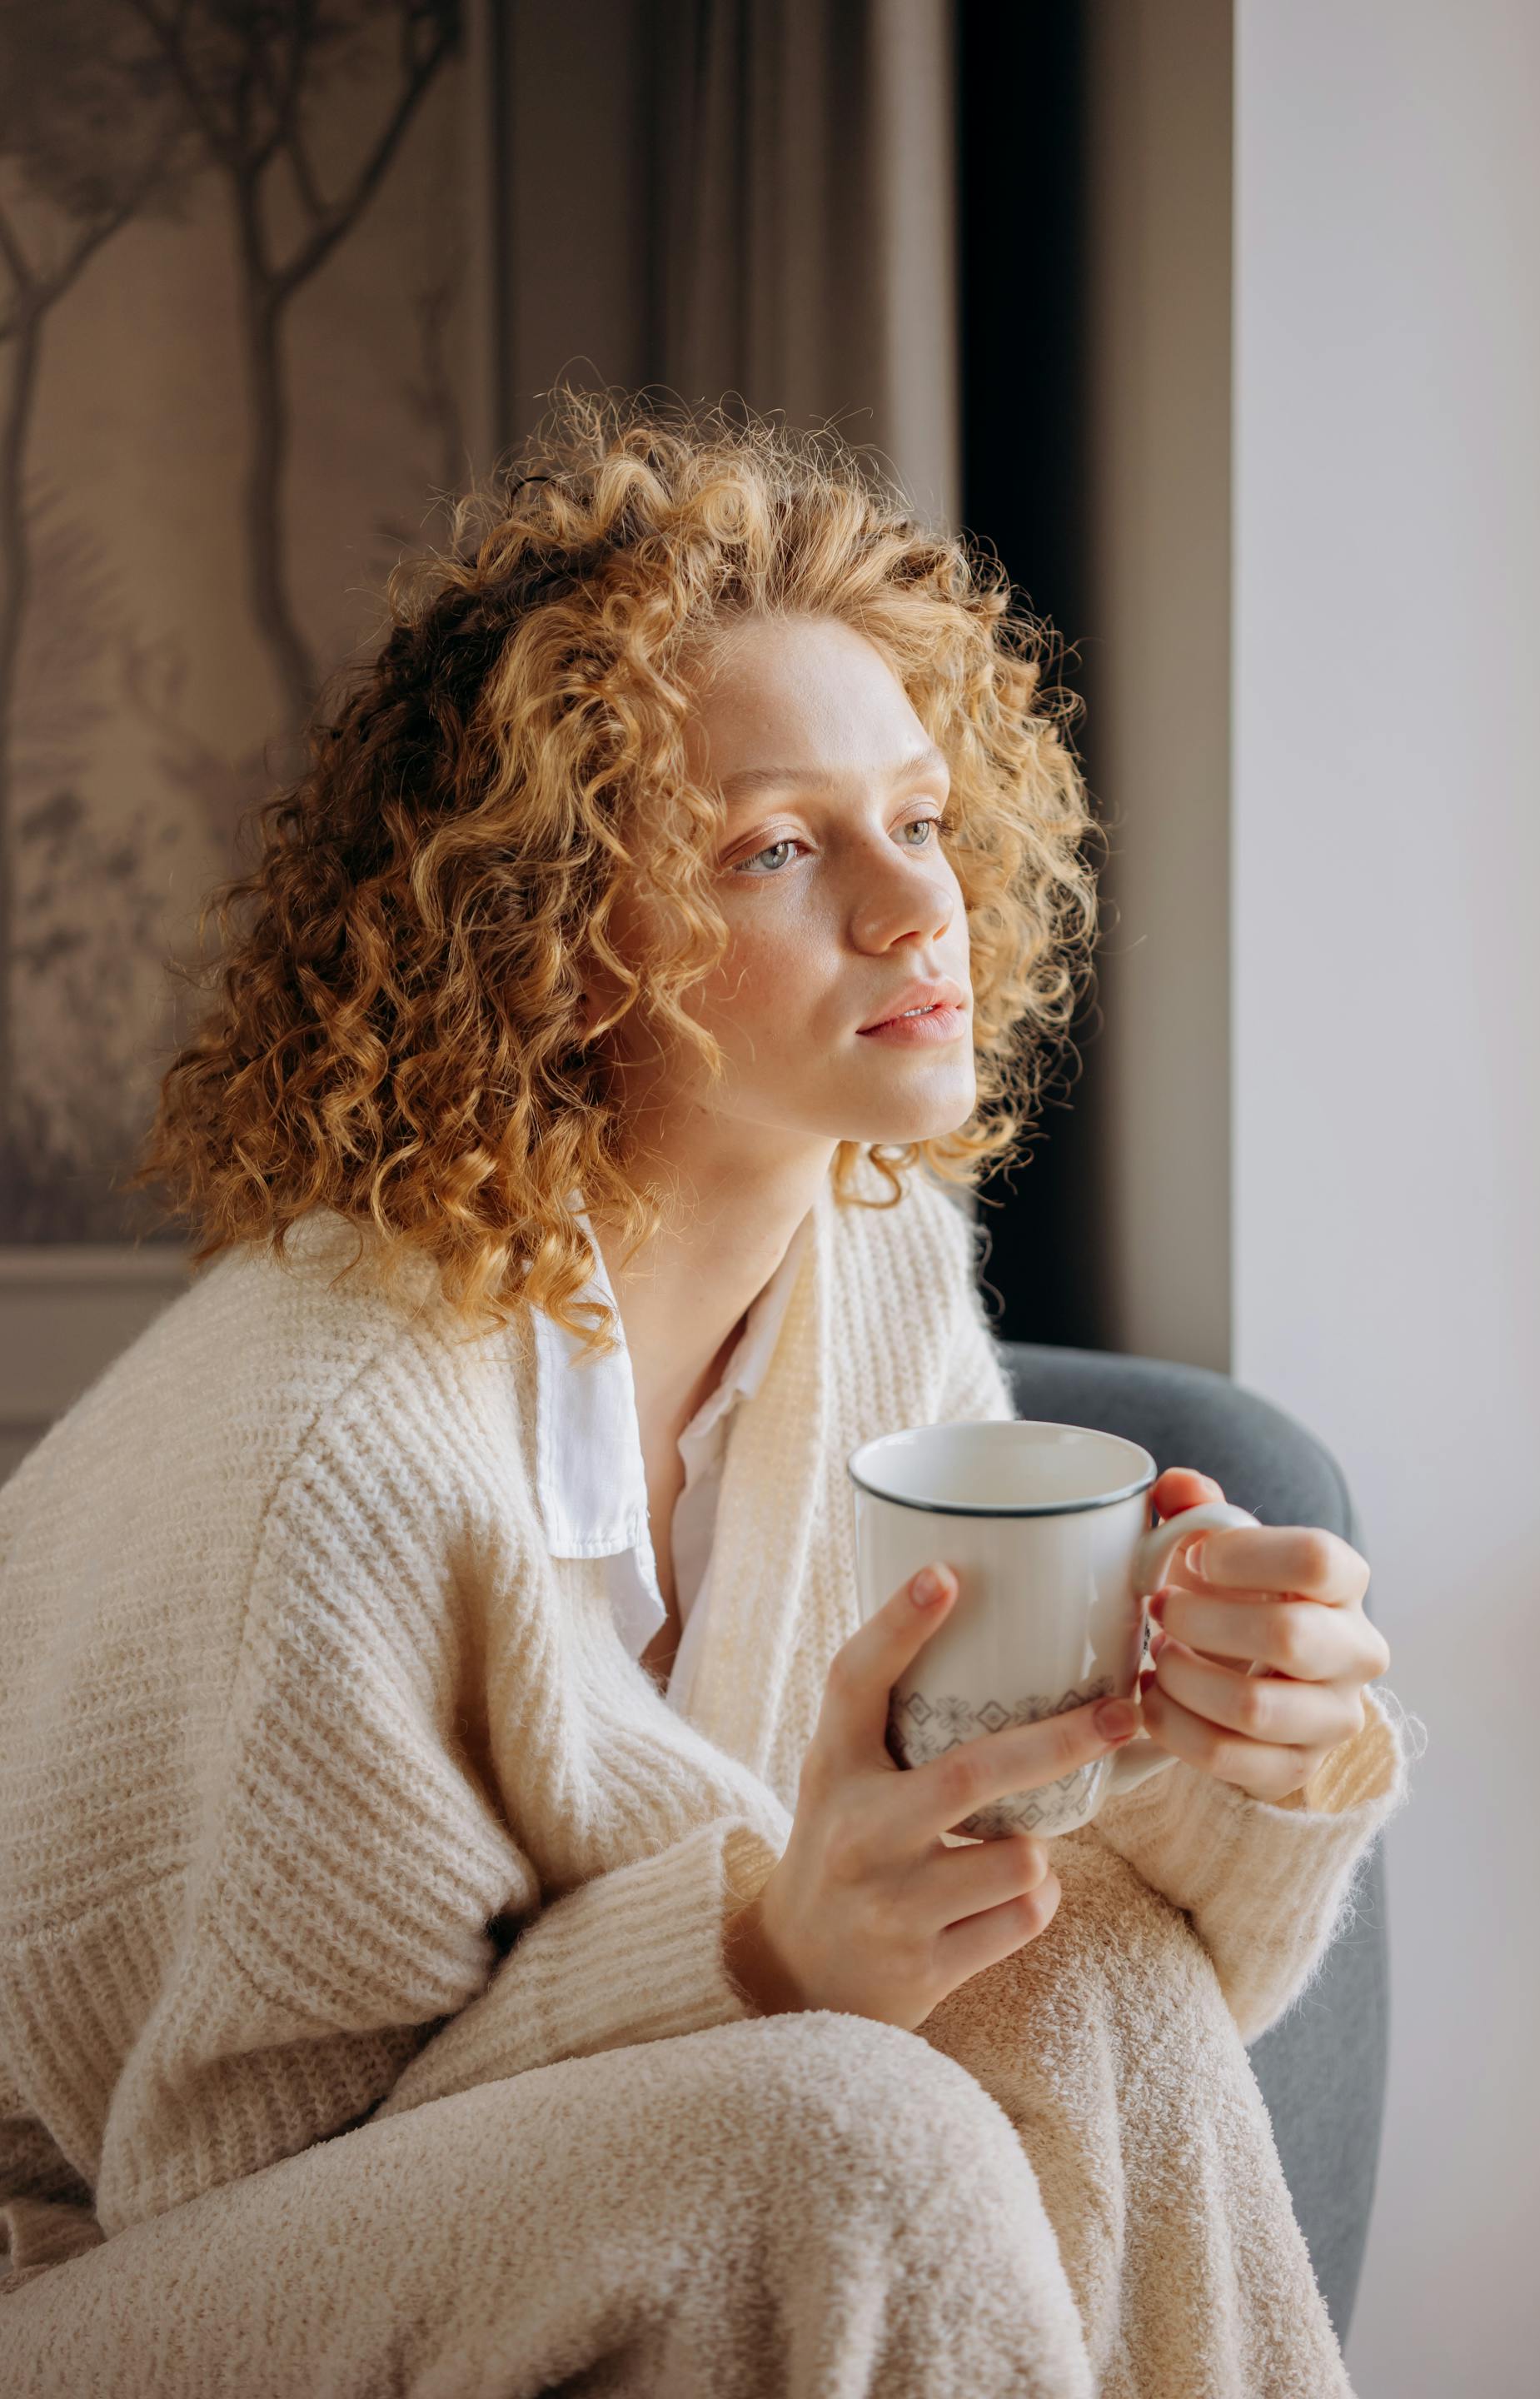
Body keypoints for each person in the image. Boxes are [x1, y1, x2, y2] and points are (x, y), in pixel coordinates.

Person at [0, 389, 1422, 2397]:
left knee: (1078, 1966)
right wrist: (763, 1960)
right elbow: (244, 2188)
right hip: (107, 2289)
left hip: (532, 2197)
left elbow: (1093, 1961)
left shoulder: (876, 1258)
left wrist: (1243, 1756)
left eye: (919, 820)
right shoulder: (335, 1456)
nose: (917, 902)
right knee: (855, 2135)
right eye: (776, 848)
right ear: (564, 942)